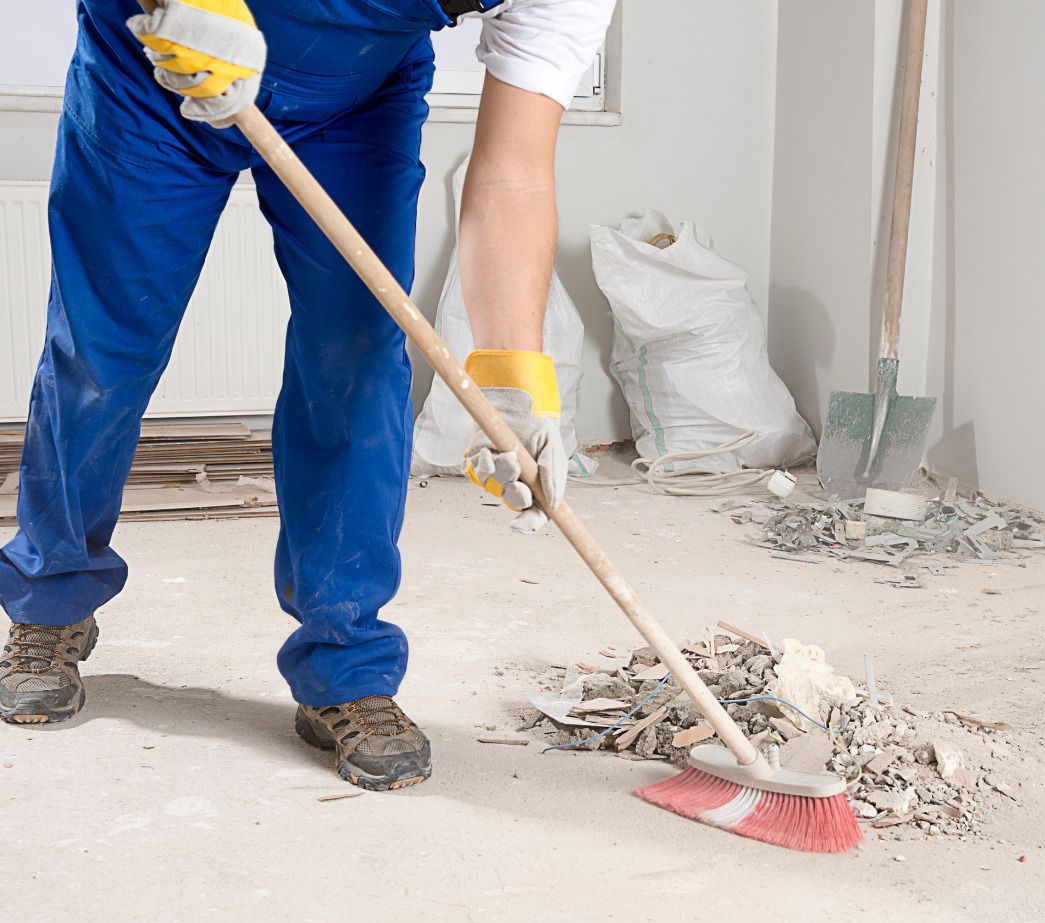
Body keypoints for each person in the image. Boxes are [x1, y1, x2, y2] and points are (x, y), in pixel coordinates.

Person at [0, 0, 616, 789]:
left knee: (358, 358)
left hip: (352, 100)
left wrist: (514, 378)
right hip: (154, 67)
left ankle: (346, 660)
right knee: (103, 349)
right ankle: (50, 598)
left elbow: (515, 172)